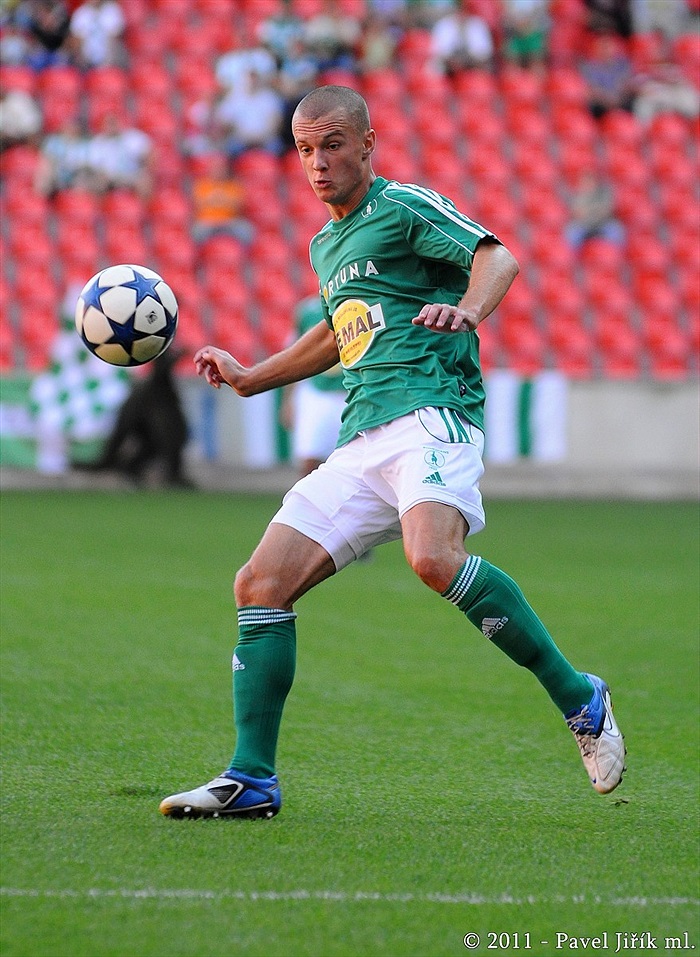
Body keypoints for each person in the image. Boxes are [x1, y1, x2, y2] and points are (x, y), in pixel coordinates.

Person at [160, 85, 626, 820]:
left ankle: (579, 696)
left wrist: (467, 310)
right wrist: (253, 375)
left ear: (368, 144)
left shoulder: (404, 206)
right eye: (306, 149)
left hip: (432, 413)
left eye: (333, 144)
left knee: (433, 558)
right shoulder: (327, 242)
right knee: (259, 583)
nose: (318, 162)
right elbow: (334, 331)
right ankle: (251, 777)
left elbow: (497, 257)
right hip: (361, 436)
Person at [281, 295, 347, 477]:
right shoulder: (307, 311)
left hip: (352, 392)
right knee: (309, 458)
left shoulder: (357, 300)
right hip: (317, 392)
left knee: (352, 463)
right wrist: (289, 400)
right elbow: (295, 356)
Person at [565, 169, 625, 249]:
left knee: (616, 231)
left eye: (590, 182)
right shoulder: (578, 195)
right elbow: (578, 213)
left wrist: (589, 212)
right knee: (572, 233)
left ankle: (617, 256)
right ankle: (573, 259)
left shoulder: (605, 193)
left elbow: (605, 211)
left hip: (603, 223)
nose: (588, 185)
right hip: (584, 225)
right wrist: (595, 211)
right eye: (585, 183)